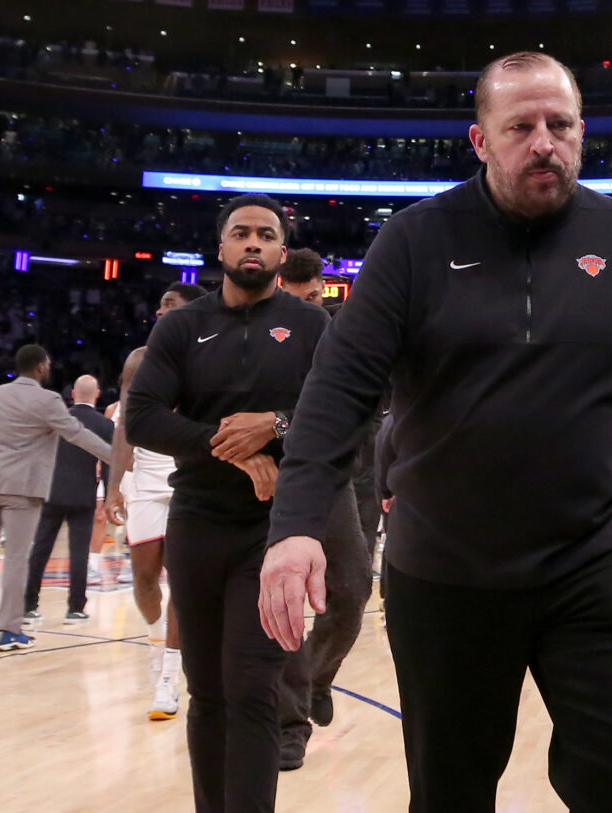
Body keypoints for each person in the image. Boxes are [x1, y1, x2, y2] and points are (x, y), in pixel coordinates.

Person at [259, 51, 612, 812]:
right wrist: (297, 522)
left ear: (582, 131)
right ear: (480, 140)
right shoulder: (411, 240)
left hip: (600, 556)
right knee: (450, 793)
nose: (544, 142)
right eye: (521, 126)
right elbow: (338, 392)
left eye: (560, 125)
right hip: (447, 570)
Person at [125, 194, 329, 812]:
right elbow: (141, 417)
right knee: (207, 691)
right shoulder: (181, 326)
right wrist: (232, 447)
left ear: (281, 252)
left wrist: (277, 426)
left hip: (274, 529)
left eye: (266, 235)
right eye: (240, 233)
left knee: (252, 687)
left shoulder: (314, 326)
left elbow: (347, 413)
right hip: (197, 524)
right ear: (220, 248)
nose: (253, 243)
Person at [274, 252, 373, 771]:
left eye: (318, 298)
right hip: (268, 483)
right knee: (289, 603)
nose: (314, 307)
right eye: (304, 298)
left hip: (329, 478)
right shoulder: (256, 334)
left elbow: (352, 407)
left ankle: (316, 677)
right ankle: (290, 725)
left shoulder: (332, 337)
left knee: (354, 589)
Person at [0, 345, 111, 652]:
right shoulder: (48, 399)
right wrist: (117, 457)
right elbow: (77, 434)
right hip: (23, 489)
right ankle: (10, 631)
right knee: (15, 559)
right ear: (41, 367)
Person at [104, 281, 207, 721]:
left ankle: (168, 676)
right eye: (161, 302)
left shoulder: (207, 358)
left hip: (189, 476)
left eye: (171, 304)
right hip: (144, 477)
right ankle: (156, 639)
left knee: (180, 583)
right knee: (143, 578)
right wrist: (113, 488)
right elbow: (125, 425)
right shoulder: (138, 360)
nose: (161, 309)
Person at [23, 374, 113, 624]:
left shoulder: (56, 420)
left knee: (40, 548)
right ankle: (75, 608)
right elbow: (108, 464)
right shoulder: (105, 425)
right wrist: (107, 500)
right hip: (83, 494)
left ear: (73, 394)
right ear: (97, 395)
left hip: (51, 492)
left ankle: (28, 605)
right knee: (79, 552)